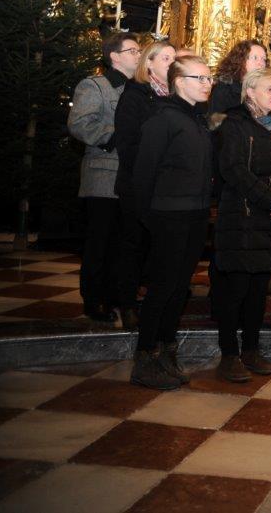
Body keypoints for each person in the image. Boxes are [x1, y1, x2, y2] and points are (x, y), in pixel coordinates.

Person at [130, 56, 215, 390]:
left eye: (209, 78)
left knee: (180, 287)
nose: (208, 84)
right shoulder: (162, 118)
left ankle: (167, 350)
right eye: (200, 78)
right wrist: (150, 218)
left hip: (195, 214)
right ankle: (145, 358)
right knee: (162, 287)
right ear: (179, 82)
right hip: (168, 215)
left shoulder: (197, 119)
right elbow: (143, 173)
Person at [214, 69, 271, 383]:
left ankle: (251, 349)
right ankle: (229, 355)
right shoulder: (234, 123)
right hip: (243, 214)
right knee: (236, 288)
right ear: (250, 91)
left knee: (259, 289)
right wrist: (270, 201)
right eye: (269, 89)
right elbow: (233, 169)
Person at [68, 31, 141, 323]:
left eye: (139, 51)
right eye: (133, 50)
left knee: (124, 242)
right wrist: (118, 137)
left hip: (131, 178)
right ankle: (94, 299)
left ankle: (118, 294)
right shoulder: (95, 85)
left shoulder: (140, 90)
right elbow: (80, 124)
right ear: (114, 56)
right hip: (103, 175)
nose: (139, 55)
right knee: (100, 241)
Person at [114, 40, 175, 329]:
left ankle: (155, 303)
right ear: (148, 63)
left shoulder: (176, 98)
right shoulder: (135, 95)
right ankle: (126, 304)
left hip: (167, 188)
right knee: (133, 246)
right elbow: (127, 145)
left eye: (174, 59)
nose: (172, 64)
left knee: (160, 250)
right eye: (165, 58)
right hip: (138, 186)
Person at [209, 40, 268, 117]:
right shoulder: (224, 90)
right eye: (255, 58)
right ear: (241, 60)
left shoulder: (267, 90)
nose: (261, 63)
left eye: (263, 59)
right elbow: (216, 122)